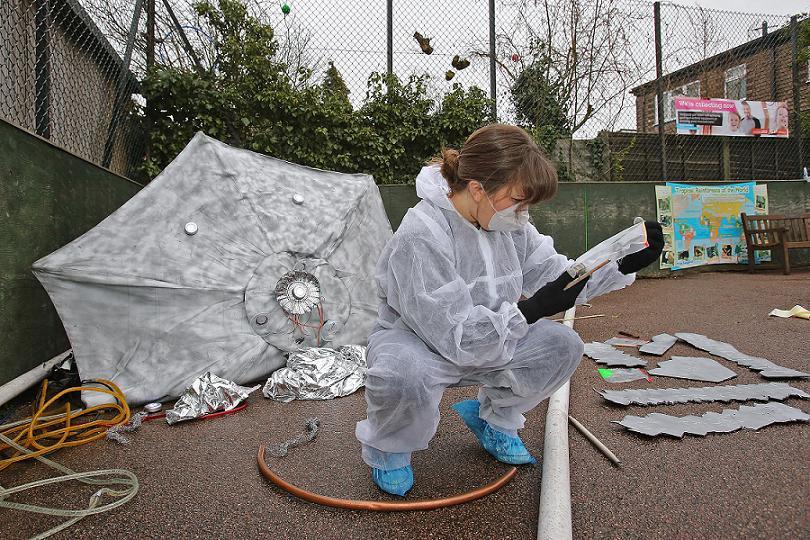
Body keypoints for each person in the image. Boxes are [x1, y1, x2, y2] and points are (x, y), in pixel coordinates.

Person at [354, 124, 664, 496]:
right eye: (518, 200)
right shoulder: (422, 234)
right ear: (477, 189)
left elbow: (557, 276)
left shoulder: (511, 226)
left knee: (561, 345)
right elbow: (456, 336)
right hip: (420, 344)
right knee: (402, 373)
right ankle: (390, 450)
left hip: (494, 338)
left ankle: (496, 424)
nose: (524, 213)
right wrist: (530, 309)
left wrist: (619, 262)